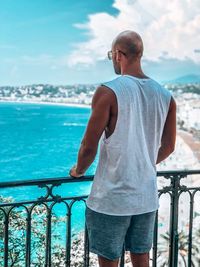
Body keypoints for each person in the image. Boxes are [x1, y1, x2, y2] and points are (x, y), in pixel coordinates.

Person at [70, 30, 176, 267]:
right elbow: (168, 147)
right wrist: (142, 162)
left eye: (111, 55)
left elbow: (88, 147)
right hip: (145, 197)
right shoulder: (166, 96)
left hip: (113, 198)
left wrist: (77, 170)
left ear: (118, 55)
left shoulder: (108, 91)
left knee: (109, 261)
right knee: (141, 258)